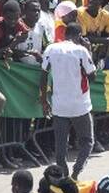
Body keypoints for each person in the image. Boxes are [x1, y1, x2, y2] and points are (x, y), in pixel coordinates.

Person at [40, 22, 97, 179]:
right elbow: (93, 76)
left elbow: (43, 75)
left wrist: (44, 100)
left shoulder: (51, 49)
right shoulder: (81, 51)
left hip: (59, 106)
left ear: (65, 34)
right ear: (79, 36)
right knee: (87, 141)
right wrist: (89, 51)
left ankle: (63, 175)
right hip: (81, 105)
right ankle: (76, 172)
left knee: (61, 145)